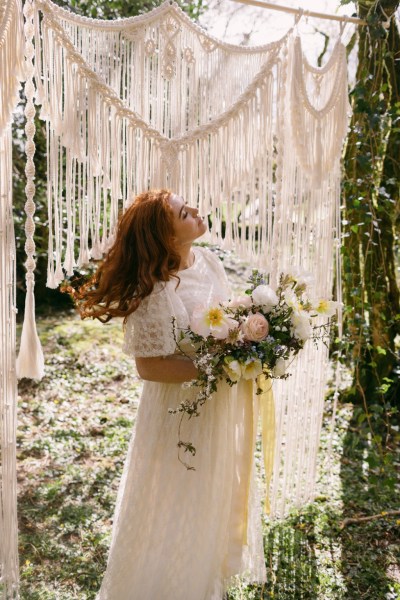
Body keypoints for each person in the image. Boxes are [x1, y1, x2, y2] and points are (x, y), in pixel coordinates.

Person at [74, 189, 266, 599]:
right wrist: (221, 366)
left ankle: (202, 585)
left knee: (210, 501)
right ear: (166, 235)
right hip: (178, 412)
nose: (196, 209)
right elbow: (150, 366)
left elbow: (227, 320)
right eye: (183, 212)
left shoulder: (209, 261)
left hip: (217, 406)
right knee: (174, 503)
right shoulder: (155, 290)